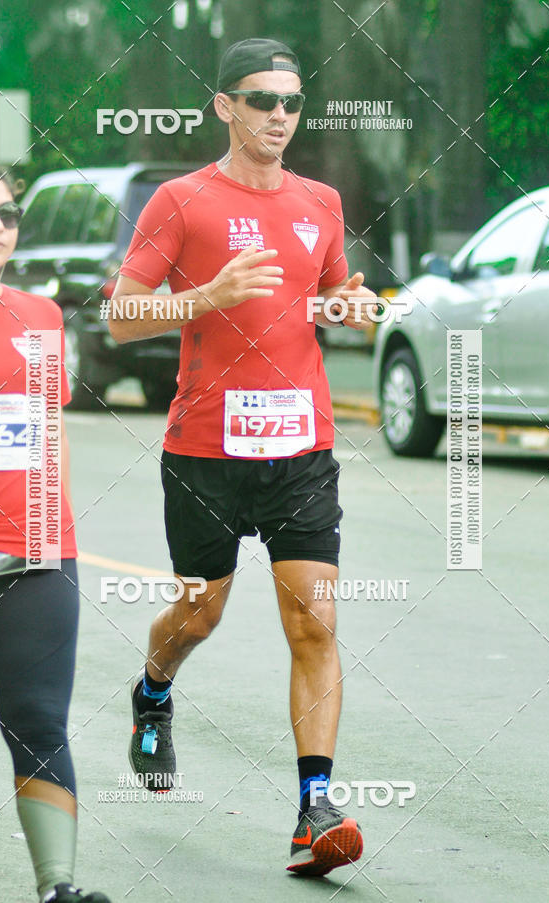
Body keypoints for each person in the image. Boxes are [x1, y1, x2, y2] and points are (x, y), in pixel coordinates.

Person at [109, 38, 379, 877]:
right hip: (205, 449)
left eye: (292, 102)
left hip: (302, 446)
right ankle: (153, 688)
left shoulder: (321, 201)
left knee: (315, 621)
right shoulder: (180, 201)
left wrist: (351, 306)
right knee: (200, 615)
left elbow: (335, 293)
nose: (278, 115)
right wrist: (209, 294)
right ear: (224, 105)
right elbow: (120, 315)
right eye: (261, 99)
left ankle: (314, 807)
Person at [0, 156, 111, 903]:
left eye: (8, 214)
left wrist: (55, 522)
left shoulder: (41, 316)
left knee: (40, 719)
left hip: (35, 554)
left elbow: (52, 427)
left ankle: (58, 887)